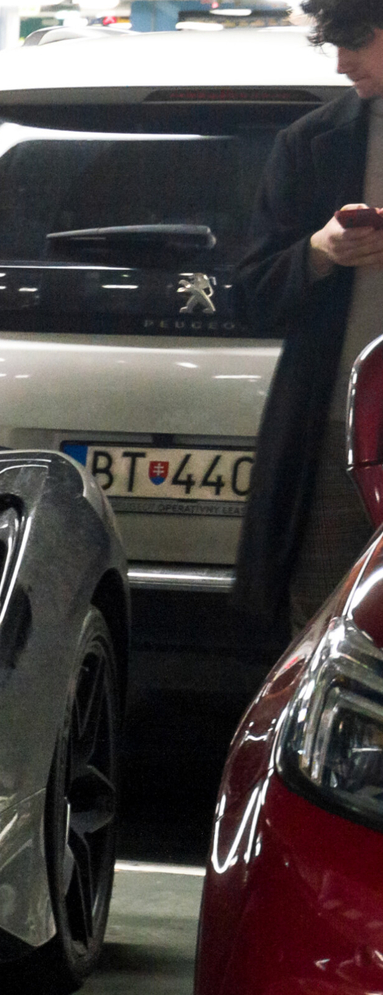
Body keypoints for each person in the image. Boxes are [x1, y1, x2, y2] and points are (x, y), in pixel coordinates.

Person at [237, 0, 383, 631]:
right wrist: (318, 252)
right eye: (334, 41)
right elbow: (251, 294)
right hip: (338, 434)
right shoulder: (312, 143)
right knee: (323, 622)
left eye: (358, 39)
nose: (342, 59)